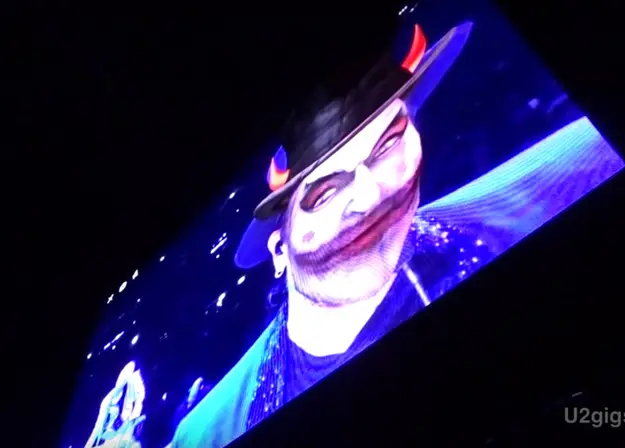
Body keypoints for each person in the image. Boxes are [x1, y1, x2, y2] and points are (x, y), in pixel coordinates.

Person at [169, 21, 496, 448]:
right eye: (324, 194)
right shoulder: (207, 433)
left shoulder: (548, 189)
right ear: (279, 249)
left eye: (387, 145)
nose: (369, 195)